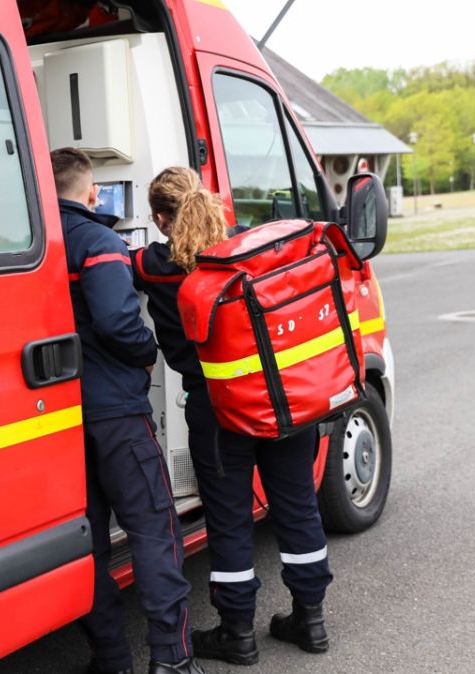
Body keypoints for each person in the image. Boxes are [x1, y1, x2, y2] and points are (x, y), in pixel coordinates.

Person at [132, 167, 333, 666]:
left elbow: (115, 261)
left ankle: (237, 633)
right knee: (298, 507)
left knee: (228, 521)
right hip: (280, 400)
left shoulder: (155, 263)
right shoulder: (248, 247)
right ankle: (311, 620)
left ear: (160, 217)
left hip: (217, 411)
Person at [50, 148, 203, 674]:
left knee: (88, 541)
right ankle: (172, 660)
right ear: (92, 192)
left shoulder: (37, 246)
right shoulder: (99, 242)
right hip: (117, 412)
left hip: (59, 417)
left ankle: (111, 658)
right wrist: (145, 355)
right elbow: (120, 324)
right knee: (154, 532)